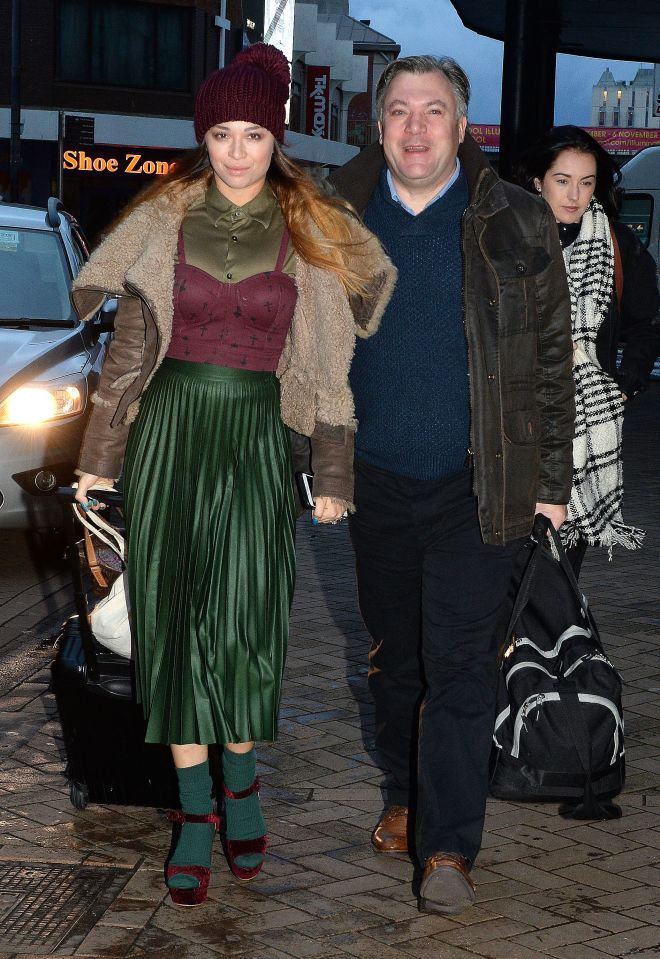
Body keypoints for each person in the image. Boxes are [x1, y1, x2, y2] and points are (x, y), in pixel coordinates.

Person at [72, 43, 396, 906]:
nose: (239, 149)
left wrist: (334, 473)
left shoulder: (309, 229)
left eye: (254, 132)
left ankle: (241, 787)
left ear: (275, 137)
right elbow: (130, 357)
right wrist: (98, 465)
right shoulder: (164, 223)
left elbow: (329, 367)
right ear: (204, 137)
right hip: (172, 434)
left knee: (247, 617)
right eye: (222, 132)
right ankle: (191, 815)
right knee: (174, 620)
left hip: (254, 435)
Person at [328, 55, 574, 915]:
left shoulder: (517, 219)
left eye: (435, 111)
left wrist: (550, 478)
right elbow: (306, 351)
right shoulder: (337, 218)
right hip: (376, 483)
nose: (418, 127)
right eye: (401, 111)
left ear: (463, 127)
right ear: (380, 124)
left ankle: (448, 848)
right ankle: (405, 789)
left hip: (482, 486)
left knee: (463, 668)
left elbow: (551, 358)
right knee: (399, 662)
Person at [517, 125, 660, 575]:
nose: (575, 195)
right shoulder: (506, 240)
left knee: (559, 560)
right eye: (562, 180)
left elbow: (647, 323)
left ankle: (549, 640)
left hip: (583, 424)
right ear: (537, 181)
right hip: (513, 420)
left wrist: (625, 384)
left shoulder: (617, 245)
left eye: (587, 182)